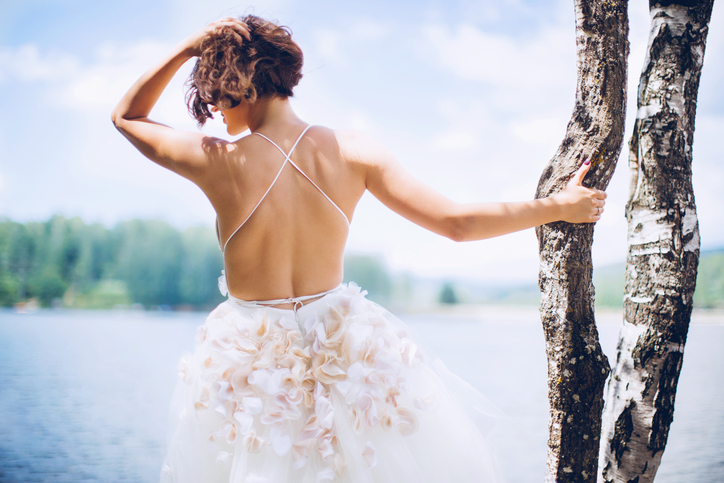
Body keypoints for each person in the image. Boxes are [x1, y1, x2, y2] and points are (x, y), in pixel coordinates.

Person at [112, 15, 605, 483]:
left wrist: (187, 46)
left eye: (215, 93)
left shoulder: (219, 160)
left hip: (250, 367)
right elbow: (456, 223)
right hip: (346, 356)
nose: (215, 110)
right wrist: (559, 205)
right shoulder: (352, 151)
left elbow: (127, 116)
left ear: (240, 80)